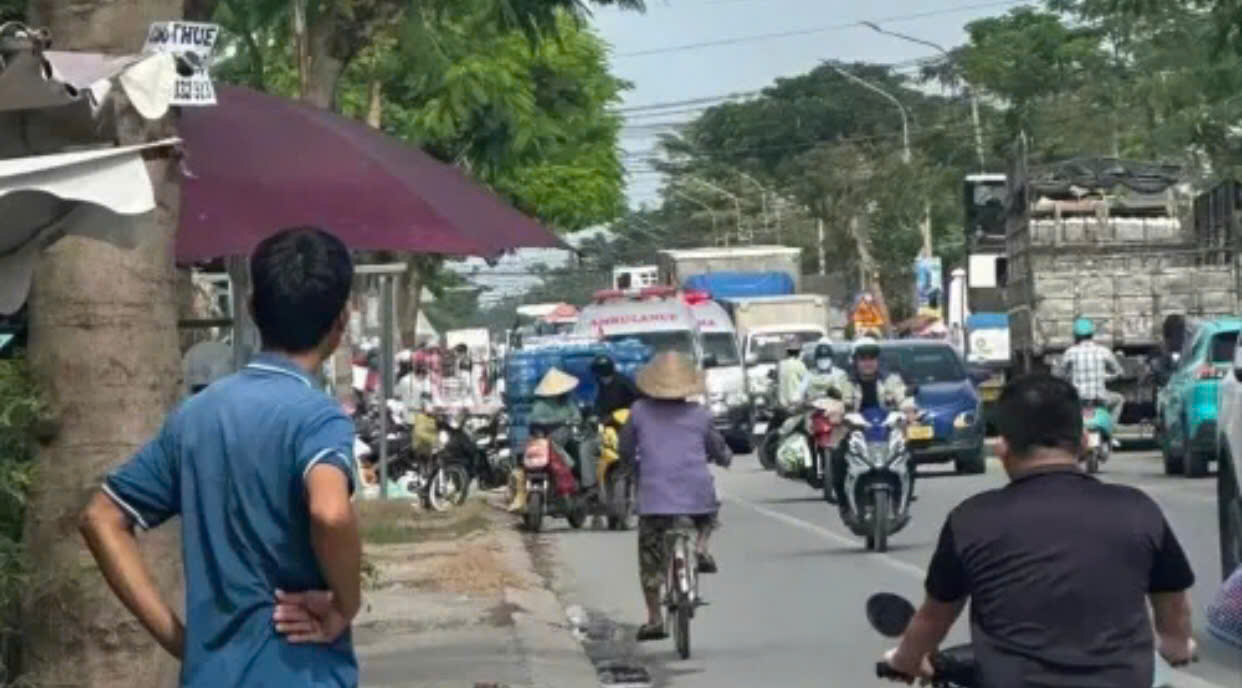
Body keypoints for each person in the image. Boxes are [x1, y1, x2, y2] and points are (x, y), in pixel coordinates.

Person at [78, 226, 361, 687]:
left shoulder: (194, 417)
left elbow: (101, 518)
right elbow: (329, 513)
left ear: (251, 308)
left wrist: (181, 641)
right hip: (301, 671)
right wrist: (345, 605)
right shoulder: (318, 418)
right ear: (340, 321)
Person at [881, 374, 1197, 687]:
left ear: (1002, 448)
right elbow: (1174, 608)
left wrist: (904, 660)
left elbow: (934, 618)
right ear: (1084, 441)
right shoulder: (1138, 510)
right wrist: (1177, 646)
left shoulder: (970, 520)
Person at [619, 351, 732, 642]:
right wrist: (724, 457)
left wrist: (630, 466)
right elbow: (718, 449)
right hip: (696, 494)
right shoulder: (700, 414)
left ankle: (655, 618)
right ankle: (702, 546)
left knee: (650, 556)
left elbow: (625, 448)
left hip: (654, 497)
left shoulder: (639, 411)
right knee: (709, 515)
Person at [831, 337, 914, 506]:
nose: (868, 363)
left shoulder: (890, 379)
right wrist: (836, 413)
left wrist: (909, 410)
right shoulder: (845, 382)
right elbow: (836, 402)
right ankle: (844, 504)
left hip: (886, 431)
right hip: (855, 432)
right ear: (855, 361)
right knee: (837, 458)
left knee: (909, 457)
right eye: (863, 358)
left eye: (872, 358)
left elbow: (902, 396)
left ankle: (902, 502)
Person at [508, 368, 583, 512]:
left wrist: (570, 421)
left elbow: (577, 417)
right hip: (542, 441)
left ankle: (570, 475)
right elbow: (533, 419)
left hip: (563, 437)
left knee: (569, 448)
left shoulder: (568, 403)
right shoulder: (540, 405)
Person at [1055, 317, 1124, 446]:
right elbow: (1118, 371)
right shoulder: (1103, 351)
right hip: (1100, 399)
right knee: (1119, 399)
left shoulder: (1070, 352)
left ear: (1075, 336)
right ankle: (1110, 433)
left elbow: (1059, 374)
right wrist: (1107, 377)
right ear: (1092, 335)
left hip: (1078, 400)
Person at [592, 354, 640, 418]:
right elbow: (600, 402)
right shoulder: (601, 384)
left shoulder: (623, 383)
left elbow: (638, 401)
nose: (601, 378)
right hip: (609, 419)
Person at [776, 339, 809, 410]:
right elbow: (806, 381)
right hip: (796, 402)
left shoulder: (781, 364)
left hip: (783, 403)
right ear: (798, 352)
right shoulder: (799, 364)